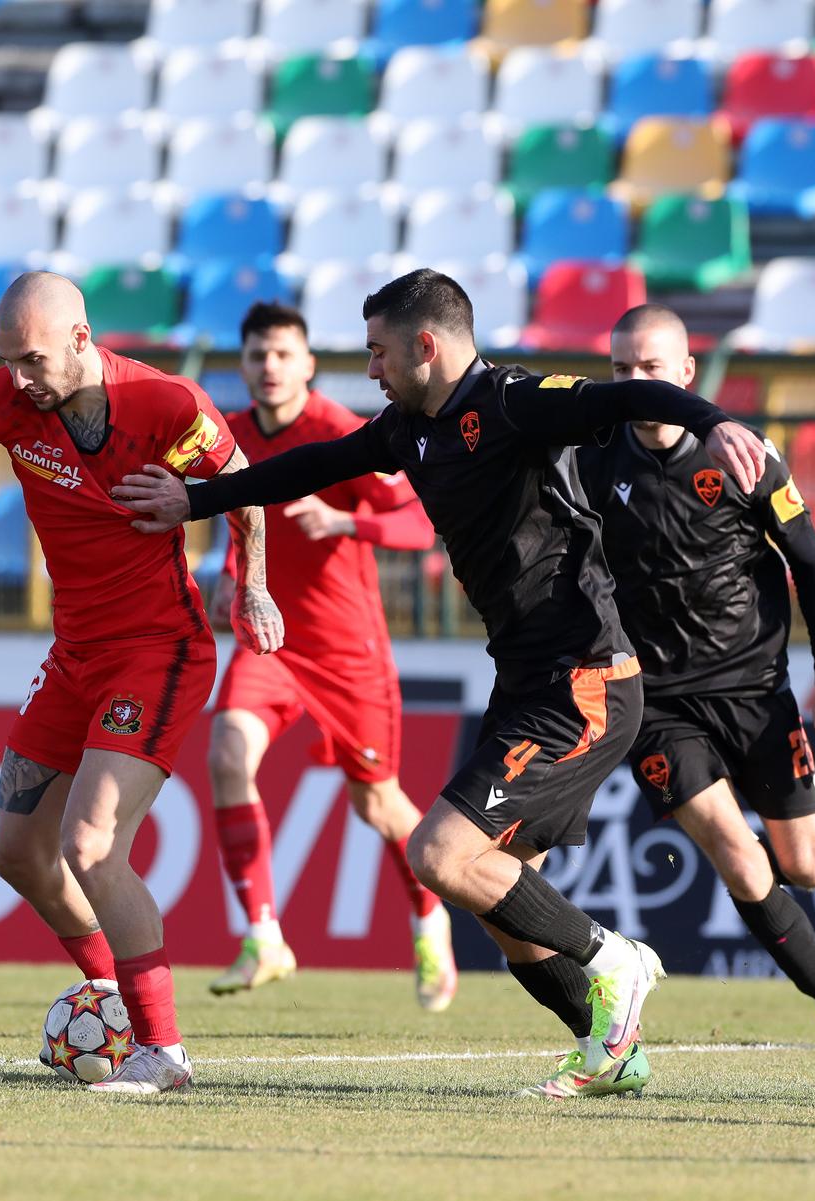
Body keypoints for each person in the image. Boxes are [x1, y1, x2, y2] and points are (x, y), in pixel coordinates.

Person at [112, 268, 767, 1099]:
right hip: (527, 680)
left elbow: (616, 402)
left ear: (427, 345)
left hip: (586, 680)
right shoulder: (407, 430)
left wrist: (713, 419)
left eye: (380, 352)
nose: (372, 370)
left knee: (437, 852)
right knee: (502, 907)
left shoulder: (513, 402)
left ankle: (618, 961)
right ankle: (612, 1044)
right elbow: (306, 466)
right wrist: (197, 500)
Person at [0, 271, 283, 1095]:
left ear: (81, 338)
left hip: (158, 650)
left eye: (32, 358)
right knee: (18, 852)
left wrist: (249, 582)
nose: (20, 378)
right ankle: (111, 994)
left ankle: (163, 1051)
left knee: (91, 844)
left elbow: (246, 485)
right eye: (7, 361)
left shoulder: (168, 406)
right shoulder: (1, 399)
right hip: (74, 654)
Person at [578, 304, 815, 1053]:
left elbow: (811, 563)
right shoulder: (591, 453)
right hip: (659, 701)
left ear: (685, 372)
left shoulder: (744, 456)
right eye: (619, 369)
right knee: (736, 850)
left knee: (806, 864)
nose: (633, 383)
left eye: (649, 368)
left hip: (754, 690)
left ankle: (791, 935)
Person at [205, 301, 457, 1011]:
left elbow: (419, 522)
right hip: (272, 639)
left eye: (283, 354)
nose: (270, 366)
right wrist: (234, 569)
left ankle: (429, 915)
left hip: (349, 650)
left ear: (308, 364)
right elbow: (234, 515)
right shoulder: (228, 436)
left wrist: (347, 519)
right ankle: (264, 933)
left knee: (376, 804)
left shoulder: (343, 434)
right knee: (227, 752)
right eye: (257, 355)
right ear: (245, 364)